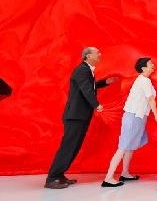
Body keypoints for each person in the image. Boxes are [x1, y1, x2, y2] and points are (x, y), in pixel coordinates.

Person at [45, 47, 118, 189]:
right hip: (75, 115)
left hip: (80, 115)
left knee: (74, 146)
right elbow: (86, 89)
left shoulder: (87, 70)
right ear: (88, 56)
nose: (100, 54)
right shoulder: (82, 70)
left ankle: (59, 175)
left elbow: (89, 86)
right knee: (68, 146)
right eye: (97, 53)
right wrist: (96, 105)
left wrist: (105, 82)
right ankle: (52, 178)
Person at [102, 57, 157, 187]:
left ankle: (125, 173)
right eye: (150, 64)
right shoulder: (144, 81)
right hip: (134, 116)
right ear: (143, 68)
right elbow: (150, 99)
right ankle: (108, 177)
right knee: (123, 147)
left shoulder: (143, 80)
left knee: (130, 146)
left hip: (138, 117)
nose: (153, 65)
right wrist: (156, 114)